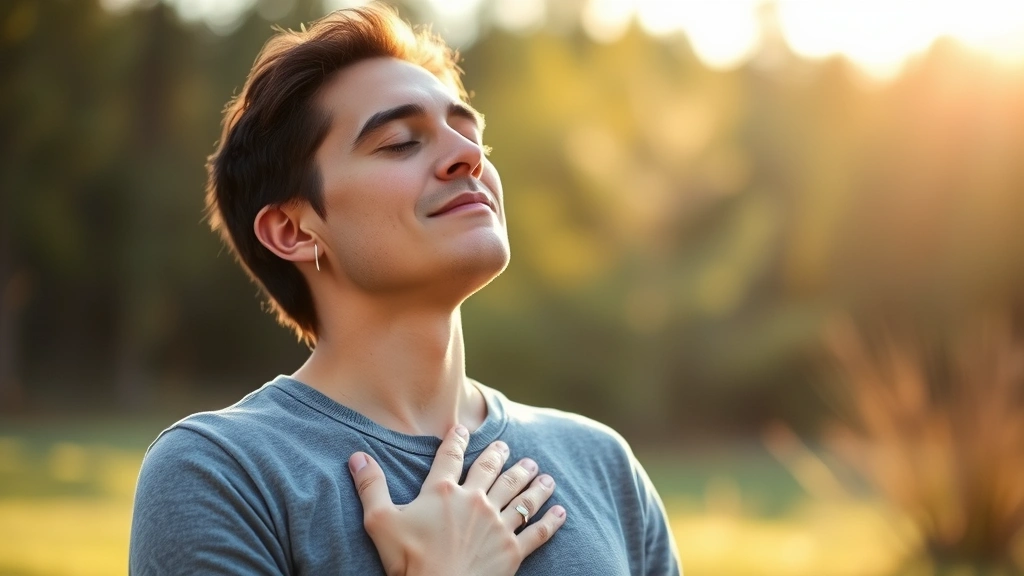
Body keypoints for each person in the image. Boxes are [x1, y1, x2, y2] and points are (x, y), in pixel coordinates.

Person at [129, 4, 681, 575]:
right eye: (399, 142)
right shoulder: (221, 474)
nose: (468, 157)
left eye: (471, 137)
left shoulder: (603, 464)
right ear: (293, 230)